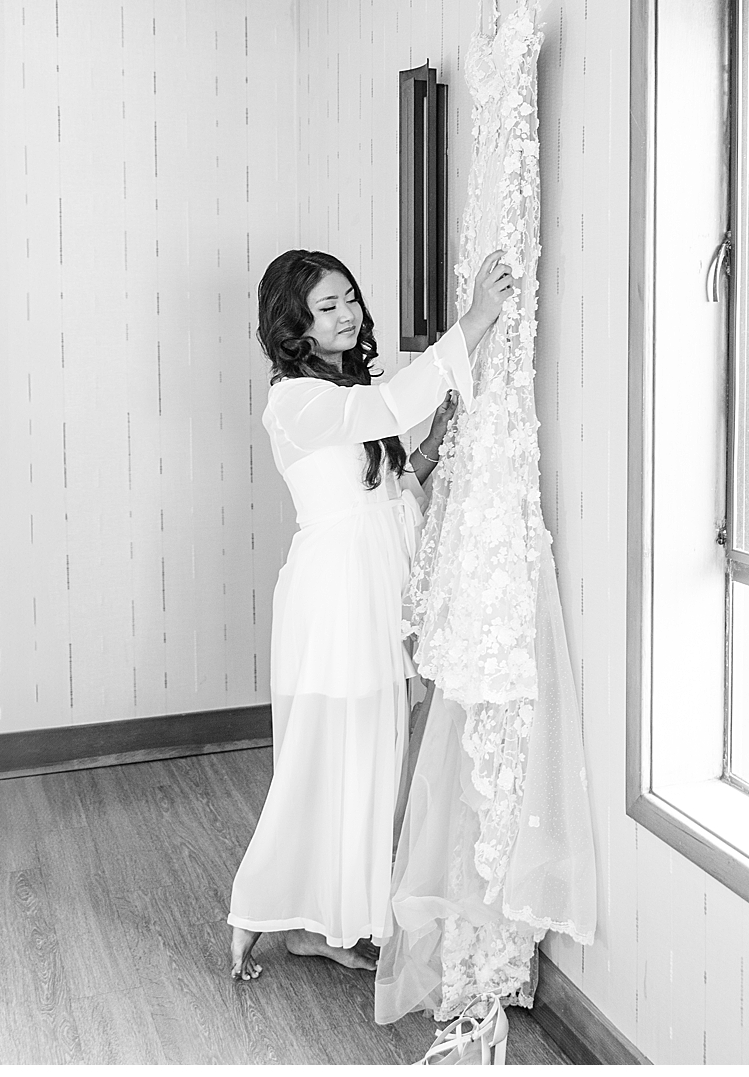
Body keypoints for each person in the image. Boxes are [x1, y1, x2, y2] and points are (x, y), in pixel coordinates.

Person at [227, 246, 513, 981]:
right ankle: (263, 906)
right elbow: (385, 410)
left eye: (350, 297)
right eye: (327, 306)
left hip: (377, 584)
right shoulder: (295, 399)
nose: (347, 314)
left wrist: (433, 448)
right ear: (293, 324)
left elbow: (387, 488)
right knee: (329, 755)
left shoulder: (348, 387)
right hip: (338, 594)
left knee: (372, 761)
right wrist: (475, 321)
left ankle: (330, 921)